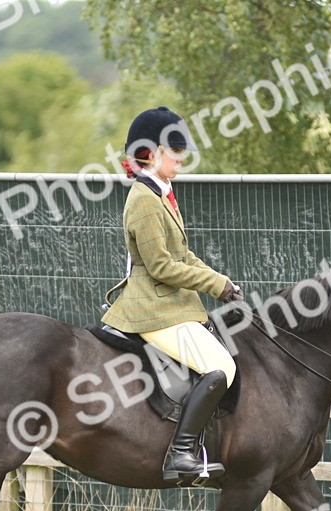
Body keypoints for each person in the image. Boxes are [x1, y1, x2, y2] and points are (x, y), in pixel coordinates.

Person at [101, 106, 244, 483]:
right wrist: (216, 286)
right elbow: (162, 267)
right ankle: (181, 454)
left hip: (172, 304)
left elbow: (183, 255)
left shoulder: (161, 194)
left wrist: (221, 279)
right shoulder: (144, 199)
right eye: (173, 150)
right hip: (152, 307)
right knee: (221, 368)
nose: (181, 157)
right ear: (150, 153)